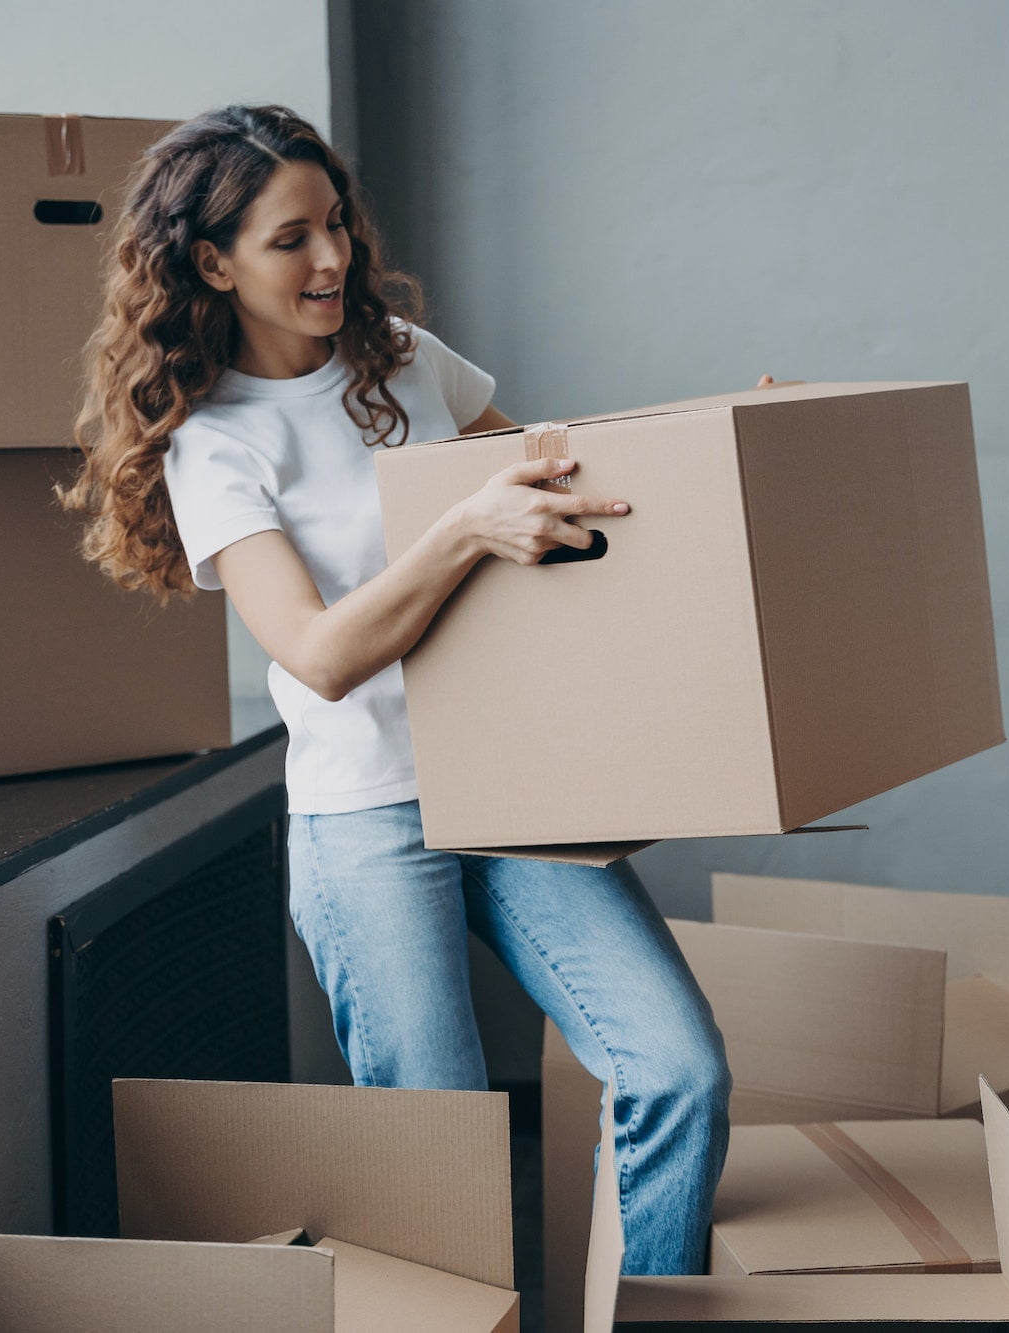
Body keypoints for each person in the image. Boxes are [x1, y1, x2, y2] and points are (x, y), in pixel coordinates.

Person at [60, 103, 734, 1275]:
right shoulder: (214, 445)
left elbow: (556, 487)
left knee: (678, 1069)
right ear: (211, 262)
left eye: (335, 226)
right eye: (289, 240)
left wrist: (725, 440)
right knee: (440, 1161)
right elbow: (315, 654)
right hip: (367, 813)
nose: (330, 259)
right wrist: (465, 527)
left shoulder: (406, 363)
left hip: (514, 791)